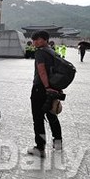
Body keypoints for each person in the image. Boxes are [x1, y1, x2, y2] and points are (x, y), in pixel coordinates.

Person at [27, 30, 62, 158]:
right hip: (53, 88)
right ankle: (58, 142)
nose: (35, 42)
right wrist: (53, 88)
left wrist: (46, 87)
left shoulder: (40, 53)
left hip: (40, 89)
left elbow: (42, 71)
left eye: (38, 39)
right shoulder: (52, 51)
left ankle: (40, 148)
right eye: (34, 39)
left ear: (45, 40)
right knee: (52, 116)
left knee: (38, 118)